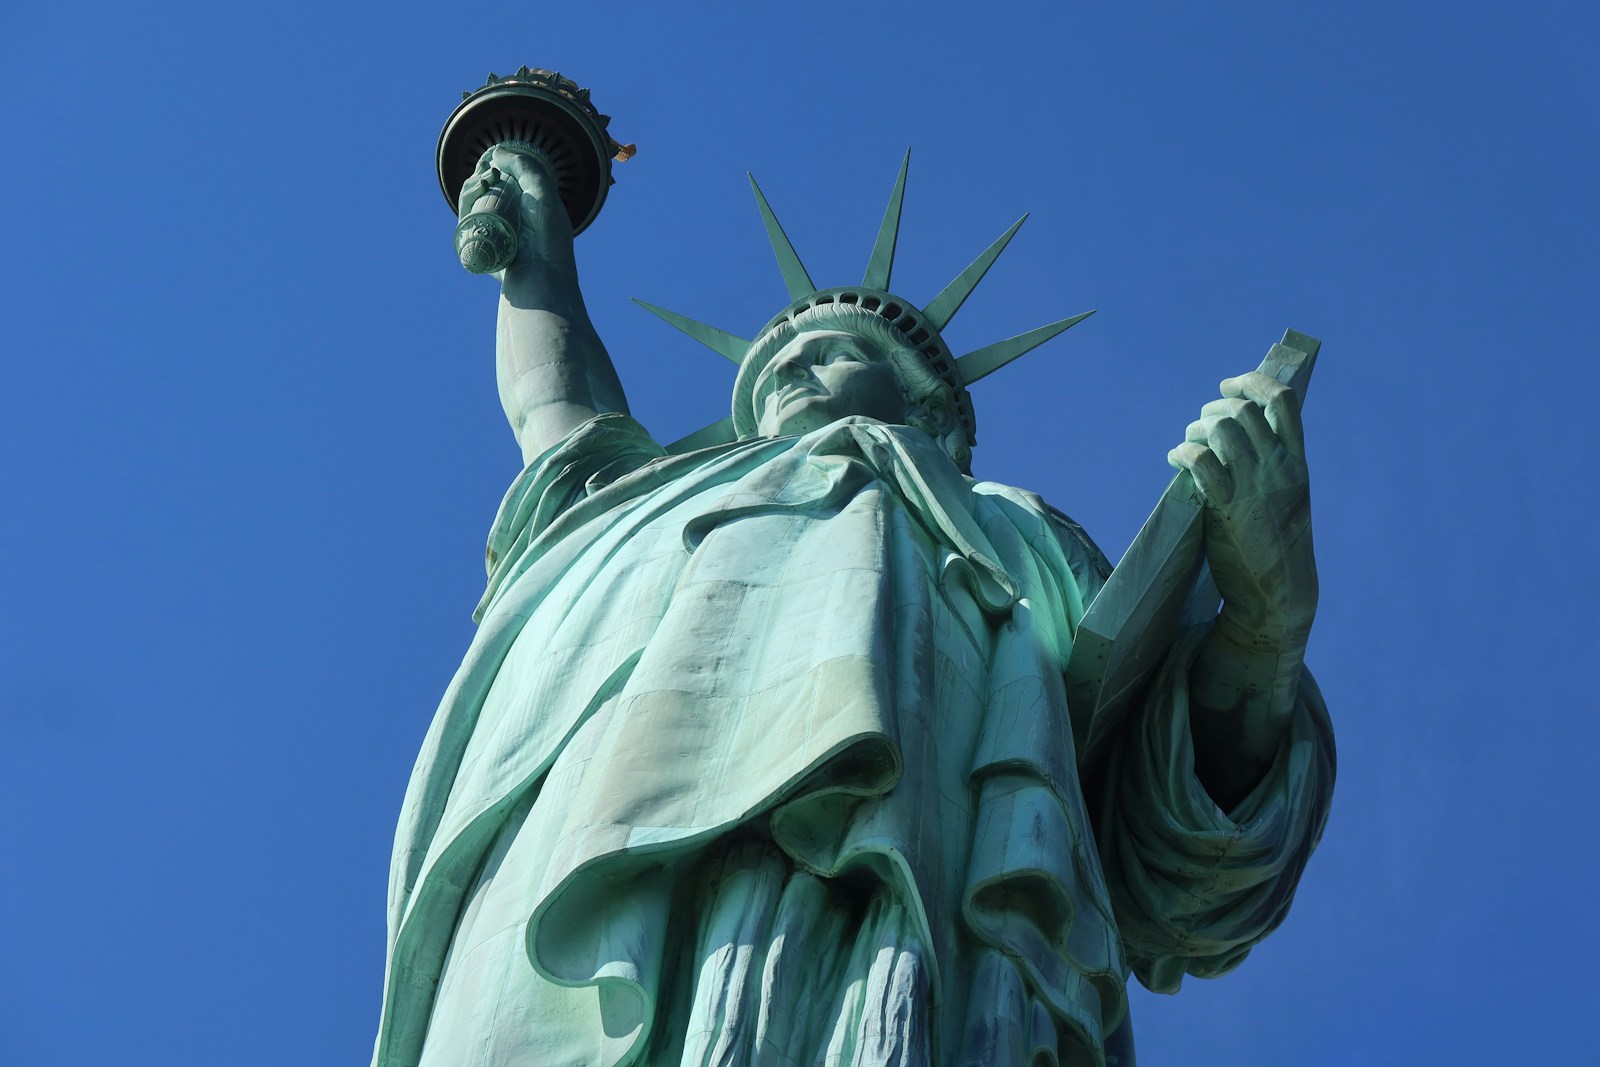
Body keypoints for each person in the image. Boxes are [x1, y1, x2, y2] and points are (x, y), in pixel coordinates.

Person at [371, 146, 1334, 1067]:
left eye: (827, 351)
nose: (786, 368)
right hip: (581, 865)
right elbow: (559, 421)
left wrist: (1265, 613)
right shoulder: (661, 501)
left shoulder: (1007, 531)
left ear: (933, 413)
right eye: (771, 364)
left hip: (903, 889)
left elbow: (1163, 828)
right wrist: (537, 254)